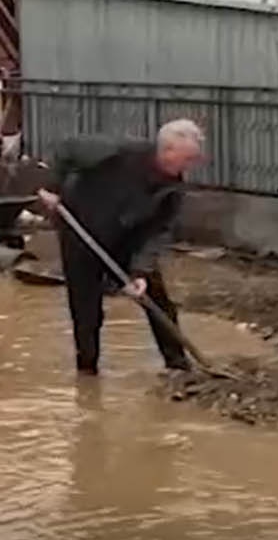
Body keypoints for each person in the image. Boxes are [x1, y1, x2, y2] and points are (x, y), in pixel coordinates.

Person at [36, 119, 206, 376]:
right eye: (187, 159)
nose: (189, 166)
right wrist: (52, 187)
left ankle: (177, 366)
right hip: (81, 232)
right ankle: (87, 370)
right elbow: (66, 149)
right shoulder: (116, 151)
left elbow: (157, 233)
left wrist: (139, 272)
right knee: (86, 307)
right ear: (168, 151)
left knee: (156, 300)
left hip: (127, 241)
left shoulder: (172, 188)